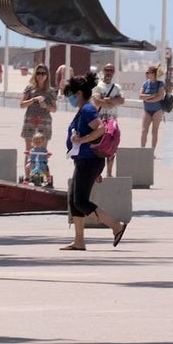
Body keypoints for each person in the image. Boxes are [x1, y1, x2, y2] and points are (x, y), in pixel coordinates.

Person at [60, 73, 128, 251]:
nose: (69, 98)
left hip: (89, 161)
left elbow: (100, 129)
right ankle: (79, 241)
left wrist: (81, 140)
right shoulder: (84, 110)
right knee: (74, 200)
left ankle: (116, 226)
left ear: (79, 93)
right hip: (85, 162)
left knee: (81, 201)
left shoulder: (88, 109)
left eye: (71, 94)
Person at [93, 63, 124, 176]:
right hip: (100, 120)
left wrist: (107, 100)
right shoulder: (97, 86)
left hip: (112, 121)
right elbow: (97, 101)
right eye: (107, 69)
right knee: (98, 146)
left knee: (112, 147)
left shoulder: (117, 87)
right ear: (103, 70)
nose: (109, 72)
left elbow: (121, 100)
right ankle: (97, 173)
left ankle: (109, 173)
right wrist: (112, 101)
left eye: (111, 70)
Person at [19, 63, 57, 151]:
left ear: (47, 75)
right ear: (35, 74)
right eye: (38, 73)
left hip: (44, 121)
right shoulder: (29, 88)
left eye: (43, 73)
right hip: (30, 119)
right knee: (29, 150)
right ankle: (28, 161)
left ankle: (41, 161)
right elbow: (21, 104)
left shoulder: (51, 91)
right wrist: (33, 100)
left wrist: (45, 106)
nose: (40, 76)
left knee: (42, 150)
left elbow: (54, 109)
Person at [138, 65, 166, 152]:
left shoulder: (160, 84)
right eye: (146, 73)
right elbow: (140, 96)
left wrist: (148, 99)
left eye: (148, 72)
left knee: (154, 131)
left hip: (157, 110)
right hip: (147, 110)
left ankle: (152, 151)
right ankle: (142, 150)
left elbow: (160, 97)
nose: (147, 74)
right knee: (144, 130)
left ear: (154, 74)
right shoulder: (145, 84)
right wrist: (152, 95)